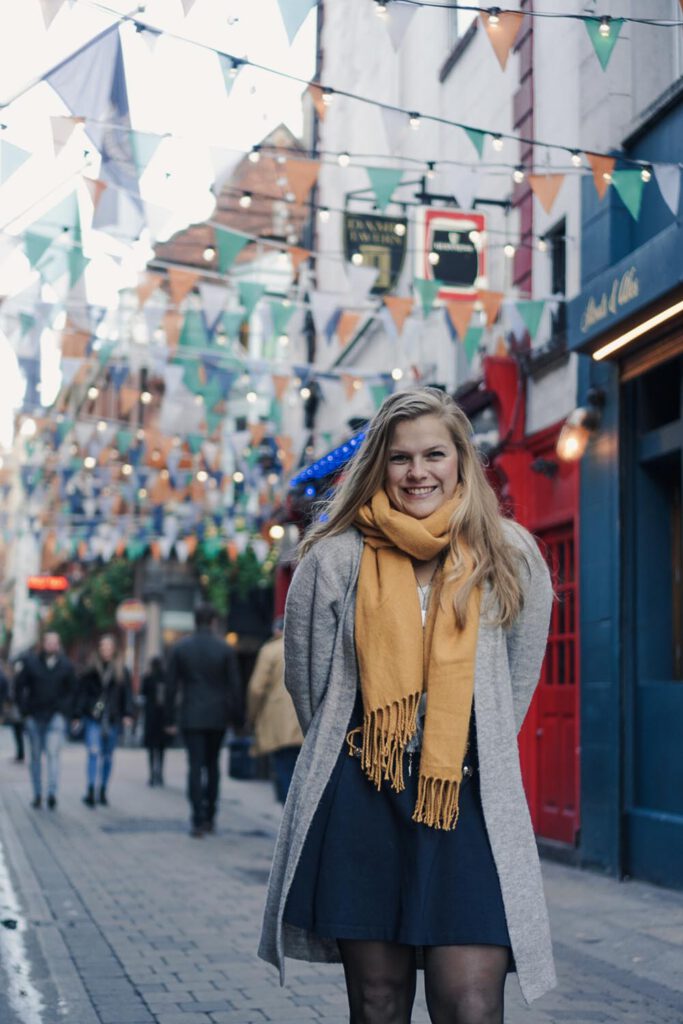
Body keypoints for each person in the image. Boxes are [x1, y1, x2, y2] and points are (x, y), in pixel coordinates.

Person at [258, 388, 556, 1023]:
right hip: (366, 792)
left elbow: (516, 679)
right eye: (399, 458)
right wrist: (380, 751)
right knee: (378, 1003)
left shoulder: (510, 553)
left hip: (465, 797)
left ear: (461, 463)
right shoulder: (334, 559)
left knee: (472, 1002)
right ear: (378, 467)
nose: (417, 472)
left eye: (433, 455)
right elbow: (312, 692)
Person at [166, 604, 243, 838]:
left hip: (191, 715)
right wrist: (237, 719)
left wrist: (169, 718)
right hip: (217, 717)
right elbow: (235, 687)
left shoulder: (181, 648)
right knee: (213, 766)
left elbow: (170, 687)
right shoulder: (225, 649)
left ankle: (197, 819)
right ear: (212, 622)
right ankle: (210, 816)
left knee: (195, 766)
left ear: (194, 621)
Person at [14, 631, 75, 810]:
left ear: (59, 644)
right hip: (34, 716)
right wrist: (25, 710)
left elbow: (72, 690)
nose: (52, 645)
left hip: (55, 717)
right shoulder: (31, 663)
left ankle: (52, 793)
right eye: (49, 642)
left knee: (53, 754)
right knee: (35, 757)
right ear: (43, 643)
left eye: (55, 642)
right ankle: (37, 794)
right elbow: (19, 686)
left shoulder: (66, 665)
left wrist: (64, 710)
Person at [246, 617, 303, 805]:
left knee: (283, 766)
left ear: (278, 631)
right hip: (306, 719)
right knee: (302, 769)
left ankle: (288, 811)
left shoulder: (270, 651)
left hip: (279, 721)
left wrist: (251, 717)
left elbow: (256, 688)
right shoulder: (307, 646)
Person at [73, 634, 134, 808]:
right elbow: (81, 693)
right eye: (103, 647)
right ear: (99, 649)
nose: (106, 650)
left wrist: (128, 714)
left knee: (107, 756)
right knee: (93, 752)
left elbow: (127, 694)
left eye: (109, 647)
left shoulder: (122, 670)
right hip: (94, 717)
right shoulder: (90, 670)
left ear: (114, 649)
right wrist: (77, 715)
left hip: (113, 717)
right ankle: (91, 789)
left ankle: (103, 789)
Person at [141, 655, 168, 786]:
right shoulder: (165, 677)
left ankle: (152, 774)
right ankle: (160, 774)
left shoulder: (148, 677)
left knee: (152, 748)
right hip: (163, 717)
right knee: (161, 748)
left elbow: (142, 693)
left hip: (151, 717)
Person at [0, 662, 24, 763]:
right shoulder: (7, 679)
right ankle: (20, 754)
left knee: (18, 732)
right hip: (17, 710)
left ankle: (20, 754)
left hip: (18, 710)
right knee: (18, 733)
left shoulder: (8, 679)